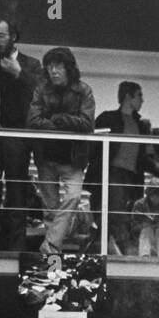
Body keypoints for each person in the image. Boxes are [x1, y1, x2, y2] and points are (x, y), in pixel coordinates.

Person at [0, 15, 43, 252]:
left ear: (14, 36)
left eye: (1, 35)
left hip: (18, 137)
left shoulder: (31, 65)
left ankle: (15, 251)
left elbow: (43, 94)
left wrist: (19, 73)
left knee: (17, 197)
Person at [27, 47, 96, 257]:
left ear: (68, 68)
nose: (53, 71)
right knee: (49, 208)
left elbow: (87, 123)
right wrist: (63, 123)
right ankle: (52, 253)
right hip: (45, 156)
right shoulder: (41, 90)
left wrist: (59, 119)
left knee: (74, 197)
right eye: (49, 66)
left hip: (73, 159)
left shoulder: (83, 90)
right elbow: (33, 121)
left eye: (58, 66)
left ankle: (50, 245)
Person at [87, 81, 156, 255]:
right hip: (110, 173)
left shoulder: (142, 126)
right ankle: (125, 248)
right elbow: (91, 146)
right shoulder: (107, 118)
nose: (143, 100)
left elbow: (146, 157)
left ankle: (106, 241)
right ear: (128, 96)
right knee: (116, 209)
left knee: (122, 213)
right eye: (139, 95)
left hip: (131, 177)